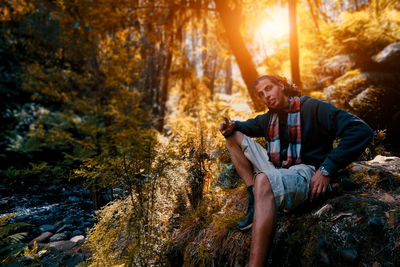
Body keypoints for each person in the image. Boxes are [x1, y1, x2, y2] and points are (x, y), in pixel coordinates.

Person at [219, 75, 373, 266]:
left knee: (264, 180)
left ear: (281, 86)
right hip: (280, 167)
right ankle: (254, 196)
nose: (266, 96)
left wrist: (327, 168)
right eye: (261, 94)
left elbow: (360, 130)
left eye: (269, 89)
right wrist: (229, 125)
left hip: (306, 171)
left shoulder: (313, 108)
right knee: (232, 136)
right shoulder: (269, 119)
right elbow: (241, 126)